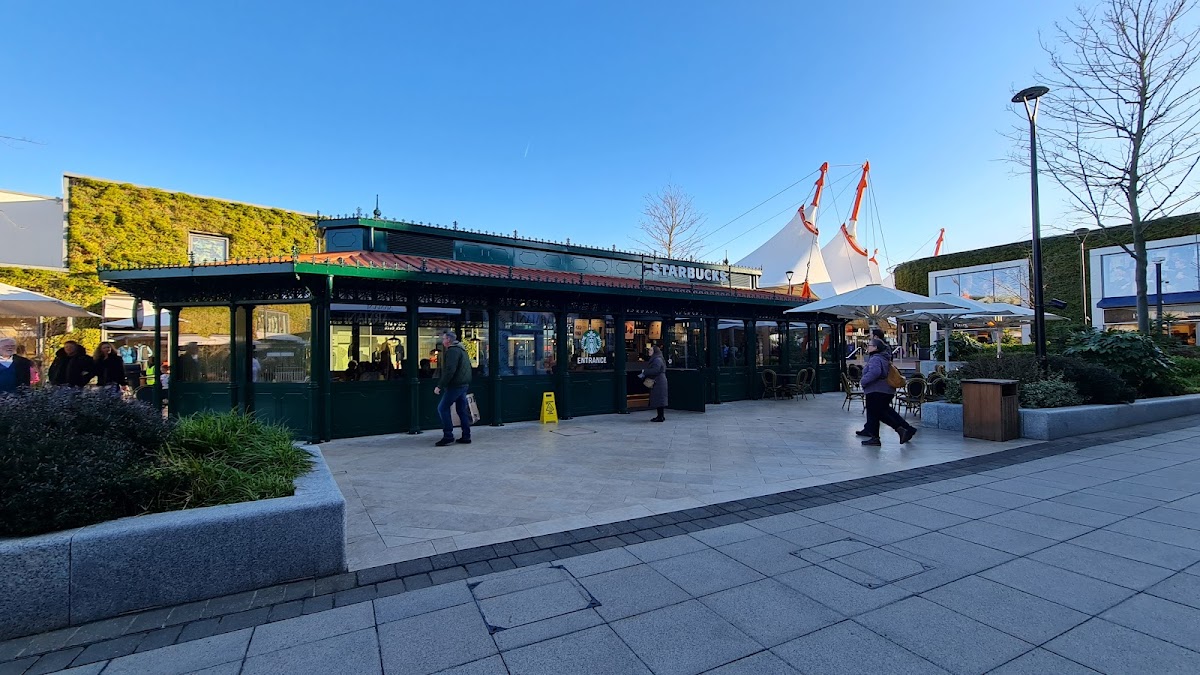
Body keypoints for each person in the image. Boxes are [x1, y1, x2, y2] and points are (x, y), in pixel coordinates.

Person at [857, 337, 917, 446]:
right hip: (886, 390)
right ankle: (907, 429)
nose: (868, 347)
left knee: (877, 413)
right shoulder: (884, 357)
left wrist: (863, 381)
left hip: (876, 390)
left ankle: (896, 431)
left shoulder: (875, 358)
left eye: (869, 345)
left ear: (875, 347)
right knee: (885, 411)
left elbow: (875, 372)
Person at [433, 330, 472, 447]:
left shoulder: (452, 351)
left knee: (442, 408)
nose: (443, 341)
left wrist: (440, 385)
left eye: (444, 339)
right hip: (464, 384)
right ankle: (466, 435)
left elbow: (450, 370)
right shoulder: (462, 350)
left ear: (448, 340)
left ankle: (448, 436)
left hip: (455, 385)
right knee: (461, 410)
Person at [639, 344, 669, 422]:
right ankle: (661, 416)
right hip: (659, 380)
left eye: (651, 350)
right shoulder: (658, 358)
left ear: (655, 351)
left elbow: (656, 370)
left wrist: (645, 371)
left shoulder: (657, 359)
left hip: (658, 381)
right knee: (659, 399)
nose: (649, 351)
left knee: (659, 398)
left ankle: (660, 416)